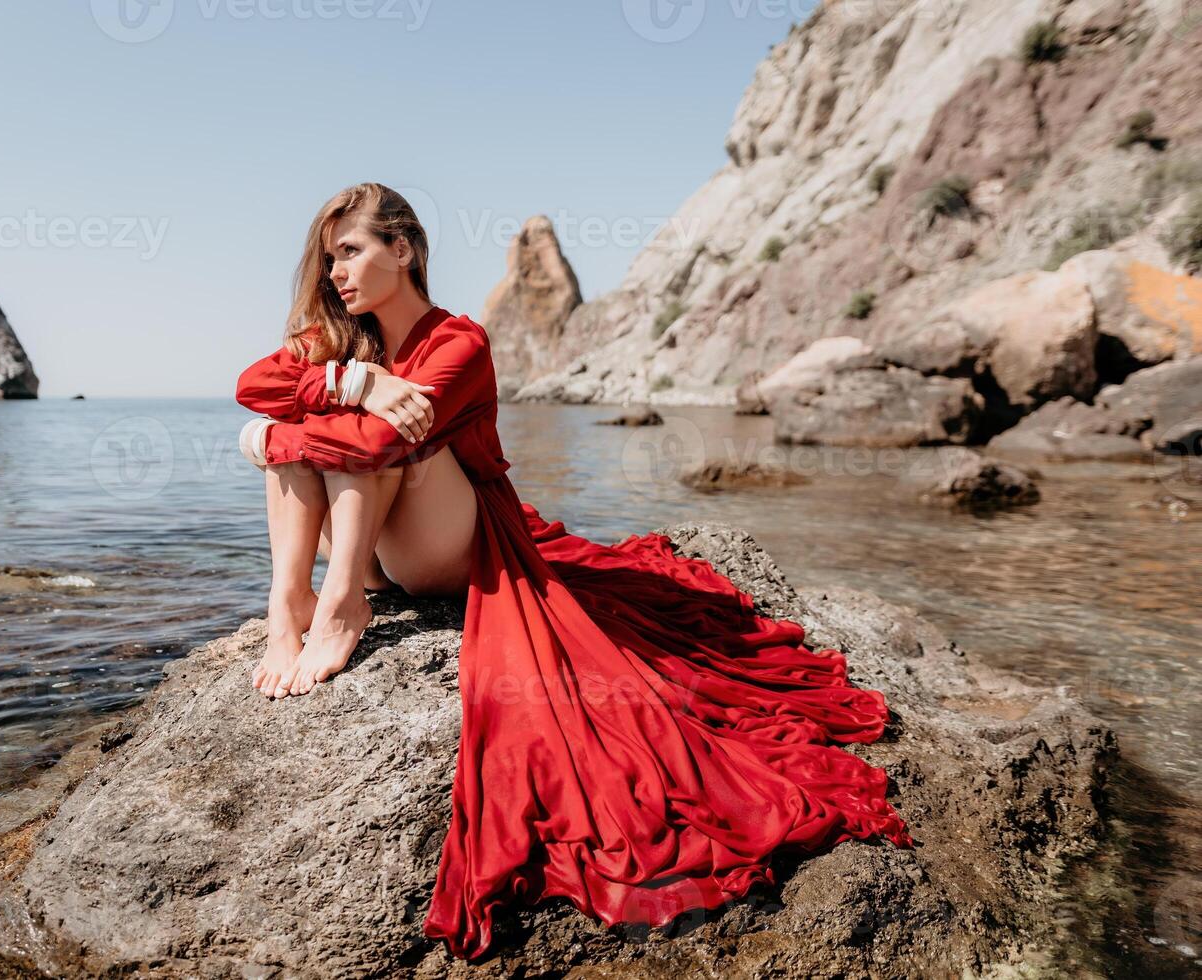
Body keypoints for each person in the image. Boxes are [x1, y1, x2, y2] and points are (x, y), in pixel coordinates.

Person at [234, 182, 914, 960]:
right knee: (326, 419)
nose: (337, 275)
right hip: (382, 537)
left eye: (350, 252)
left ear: (403, 250)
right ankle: (289, 604)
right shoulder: (351, 347)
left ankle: (342, 603)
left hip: (450, 546)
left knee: (376, 440)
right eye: (329, 261)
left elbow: (372, 449)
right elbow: (252, 383)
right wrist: (357, 381)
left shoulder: (460, 341)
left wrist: (274, 435)